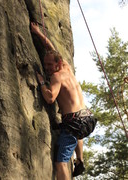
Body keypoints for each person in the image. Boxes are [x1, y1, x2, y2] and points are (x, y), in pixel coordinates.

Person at [31, 22, 90, 179]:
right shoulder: (66, 66)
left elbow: (50, 98)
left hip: (73, 123)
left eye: (50, 65)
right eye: (45, 64)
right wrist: (38, 33)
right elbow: (51, 48)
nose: (47, 67)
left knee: (61, 162)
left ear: (57, 64)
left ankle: (76, 162)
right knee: (78, 130)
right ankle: (80, 160)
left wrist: (42, 81)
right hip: (86, 118)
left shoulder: (57, 76)